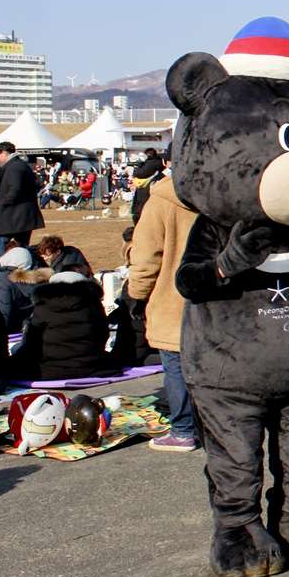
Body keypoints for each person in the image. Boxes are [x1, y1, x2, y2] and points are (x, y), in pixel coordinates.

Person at [127, 176, 201, 452]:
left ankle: (183, 430)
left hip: (174, 298)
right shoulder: (224, 191)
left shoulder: (161, 200)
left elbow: (146, 254)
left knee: (176, 365)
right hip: (219, 297)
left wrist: (137, 293)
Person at [1, 265, 118, 383]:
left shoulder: (43, 308)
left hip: (52, 368)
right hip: (92, 364)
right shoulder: (94, 305)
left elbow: (33, 343)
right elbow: (103, 334)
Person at [0, 142, 46, 258]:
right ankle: (20, 268)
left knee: (0, 241)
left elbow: (15, 189)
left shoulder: (14, 167)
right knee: (21, 246)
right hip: (22, 216)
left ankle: (3, 271)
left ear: (4, 153)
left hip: (13, 215)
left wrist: (4, 202)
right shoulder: (20, 165)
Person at [0, 246, 51, 335]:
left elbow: (3, 314)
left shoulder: (4, 281)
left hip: (11, 335)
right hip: (35, 332)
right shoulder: (43, 281)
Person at [130, 148, 164, 225]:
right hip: (148, 187)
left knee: (140, 210)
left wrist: (138, 168)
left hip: (146, 189)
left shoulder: (151, 163)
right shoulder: (157, 162)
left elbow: (141, 173)